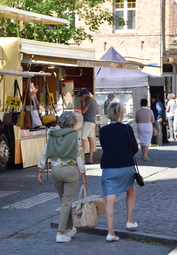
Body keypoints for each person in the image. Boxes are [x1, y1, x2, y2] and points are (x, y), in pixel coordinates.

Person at [37, 111, 87, 243]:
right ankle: (60, 233)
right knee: (67, 202)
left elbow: (46, 151)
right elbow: (79, 155)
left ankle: (70, 228)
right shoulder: (74, 135)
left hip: (56, 171)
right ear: (73, 123)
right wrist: (83, 174)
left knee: (65, 201)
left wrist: (40, 169)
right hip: (71, 170)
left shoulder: (53, 134)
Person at [99, 102, 138, 242]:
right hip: (126, 165)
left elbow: (104, 147)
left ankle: (110, 232)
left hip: (109, 167)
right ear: (121, 113)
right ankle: (129, 220)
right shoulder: (127, 128)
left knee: (110, 198)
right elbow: (135, 147)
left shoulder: (103, 130)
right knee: (131, 189)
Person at [79, 89, 99, 164]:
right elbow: (97, 112)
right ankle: (90, 158)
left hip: (87, 122)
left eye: (82, 96)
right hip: (93, 122)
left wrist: (81, 103)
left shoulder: (88, 101)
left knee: (83, 140)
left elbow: (83, 112)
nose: (82, 98)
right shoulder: (94, 101)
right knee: (91, 141)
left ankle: (82, 159)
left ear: (85, 95)